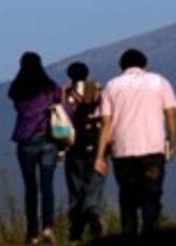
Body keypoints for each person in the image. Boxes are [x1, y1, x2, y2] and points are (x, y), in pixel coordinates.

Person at [95, 48, 176, 239]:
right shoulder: (159, 82)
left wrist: (100, 156)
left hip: (122, 151)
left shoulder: (112, 86)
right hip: (152, 150)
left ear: (121, 67)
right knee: (152, 195)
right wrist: (173, 142)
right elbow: (171, 113)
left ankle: (128, 234)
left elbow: (106, 122)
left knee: (128, 196)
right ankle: (149, 231)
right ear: (145, 65)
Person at [8, 51, 59, 246]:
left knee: (31, 188)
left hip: (25, 141)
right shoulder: (49, 87)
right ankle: (48, 227)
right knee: (47, 186)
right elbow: (59, 102)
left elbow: (18, 106)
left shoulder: (17, 88)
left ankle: (33, 233)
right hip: (47, 140)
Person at [62, 61, 105, 243]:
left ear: (70, 75)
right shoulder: (98, 91)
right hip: (97, 148)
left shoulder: (66, 94)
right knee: (94, 187)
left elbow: (61, 121)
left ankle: (76, 229)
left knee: (75, 190)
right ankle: (92, 213)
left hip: (74, 149)